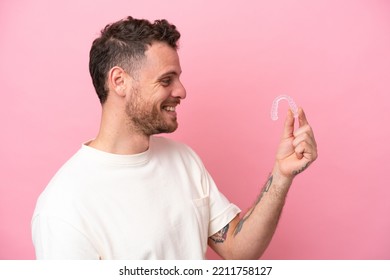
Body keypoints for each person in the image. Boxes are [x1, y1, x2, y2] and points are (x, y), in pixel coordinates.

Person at [31, 16, 317, 260]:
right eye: (166, 80)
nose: (182, 91)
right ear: (119, 81)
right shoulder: (64, 207)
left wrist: (281, 175)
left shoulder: (183, 159)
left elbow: (237, 248)